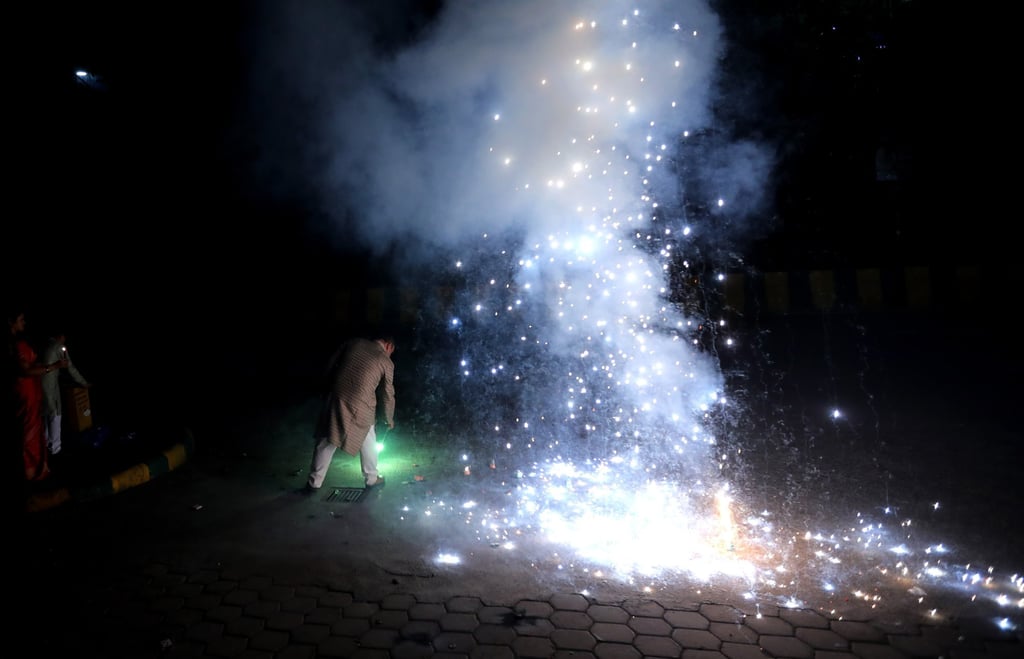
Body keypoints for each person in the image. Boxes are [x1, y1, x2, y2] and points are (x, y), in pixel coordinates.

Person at [306, 334, 396, 492]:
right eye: (391, 352)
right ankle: (372, 479)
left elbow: (331, 365)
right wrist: (389, 419)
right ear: (389, 346)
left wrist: (327, 390)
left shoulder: (354, 342)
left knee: (327, 439)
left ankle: (314, 483)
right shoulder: (386, 361)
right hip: (361, 404)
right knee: (368, 437)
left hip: (336, 396)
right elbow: (387, 395)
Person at [6, 308, 67, 482]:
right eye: (21, 319)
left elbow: (31, 365)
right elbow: (25, 370)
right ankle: (30, 472)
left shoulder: (19, 342)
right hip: (25, 393)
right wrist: (53, 366)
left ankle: (38, 467)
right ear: (11, 322)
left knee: (36, 428)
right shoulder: (14, 344)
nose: (24, 323)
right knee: (28, 433)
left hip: (31, 392)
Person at [40, 328, 91, 458]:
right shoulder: (58, 346)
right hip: (49, 385)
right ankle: (55, 448)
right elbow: (70, 367)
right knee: (55, 414)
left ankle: (45, 444)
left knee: (45, 415)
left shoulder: (45, 343)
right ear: (61, 336)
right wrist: (84, 382)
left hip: (39, 383)